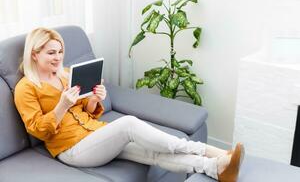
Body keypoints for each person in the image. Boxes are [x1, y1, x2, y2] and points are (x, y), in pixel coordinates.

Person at [14, 27, 244, 182]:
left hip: (96, 135)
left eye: (61, 52)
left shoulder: (65, 74)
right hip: (71, 150)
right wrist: (61, 105)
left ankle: (215, 169)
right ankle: (214, 151)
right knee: (129, 124)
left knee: (151, 154)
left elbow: (88, 113)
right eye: (51, 53)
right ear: (34, 55)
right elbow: (37, 130)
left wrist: (94, 99)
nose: (58, 57)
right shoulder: (26, 87)